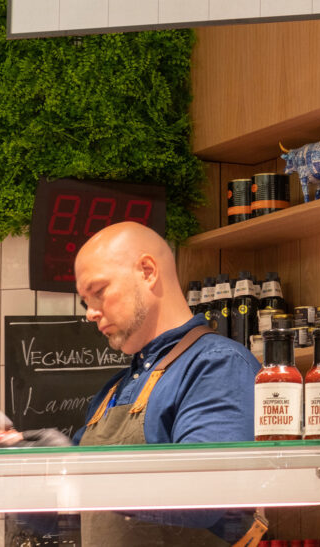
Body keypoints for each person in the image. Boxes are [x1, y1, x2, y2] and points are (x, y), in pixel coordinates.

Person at [72, 221, 265, 546]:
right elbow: (67, 509)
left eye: (99, 291)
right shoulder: (112, 390)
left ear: (148, 271)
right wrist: (19, 465)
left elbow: (204, 495)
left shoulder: (218, 365)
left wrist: (72, 477)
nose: (91, 313)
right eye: (85, 302)